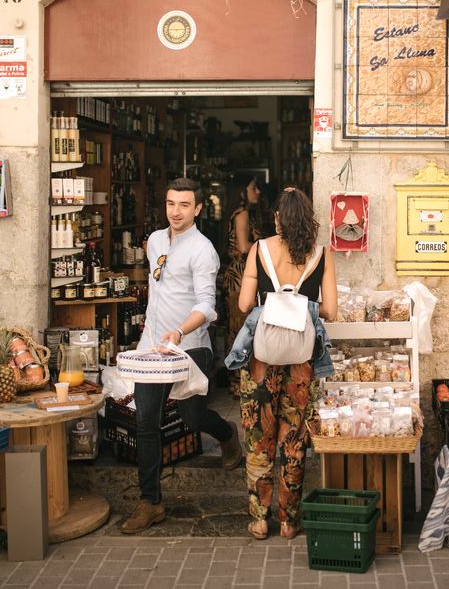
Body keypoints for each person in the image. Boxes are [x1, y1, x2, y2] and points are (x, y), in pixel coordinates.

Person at [120, 178, 243, 534]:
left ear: (198, 209)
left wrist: (180, 331)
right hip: (151, 346)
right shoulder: (156, 241)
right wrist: (154, 335)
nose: (176, 211)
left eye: (184, 205)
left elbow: (207, 304)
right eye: (171, 203)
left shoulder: (203, 250)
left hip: (190, 345)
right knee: (145, 422)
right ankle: (150, 502)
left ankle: (226, 433)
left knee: (192, 416)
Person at [235, 187, 337, 540]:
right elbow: (330, 311)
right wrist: (301, 302)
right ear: (307, 220)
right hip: (301, 361)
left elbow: (244, 304)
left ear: (278, 219)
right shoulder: (321, 253)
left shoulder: (260, 250)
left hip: (263, 359)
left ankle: (260, 519)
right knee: (294, 441)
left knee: (258, 438)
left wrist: (272, 298)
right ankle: (289, 521)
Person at [222, 177, 262, 395]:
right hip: (241, 273)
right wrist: (265, 244)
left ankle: (237, 378)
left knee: (236, 325)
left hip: (237, 272)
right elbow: (244, 246)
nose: (257, 192)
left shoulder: (238, 213)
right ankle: (239, 380)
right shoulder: (243, 214)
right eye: (252, 187)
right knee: (241, 325)